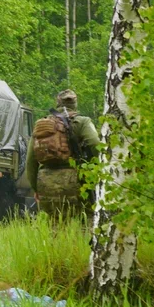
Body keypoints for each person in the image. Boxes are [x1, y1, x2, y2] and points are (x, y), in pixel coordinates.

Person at [25, 89, 100, 225]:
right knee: (86, 220)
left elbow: (30, 160)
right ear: (75, 104)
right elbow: (95, 143)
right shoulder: (82, 122)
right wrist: (96, 172)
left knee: (55, 224)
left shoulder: (42, 125)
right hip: (76, 181)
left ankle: (58, 246)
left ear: (57, 103)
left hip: (46, 184)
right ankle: (81, 246)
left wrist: (36, 189)